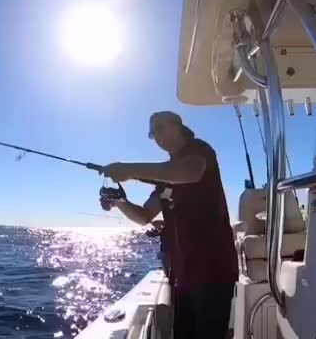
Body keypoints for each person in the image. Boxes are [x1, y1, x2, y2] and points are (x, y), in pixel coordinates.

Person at [100, 111, 238, 338]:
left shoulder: (199, 150)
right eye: (152, 132)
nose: (156, 135)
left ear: (178, 125)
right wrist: (119, 202)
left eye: (160, 127)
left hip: (213, 270)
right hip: (183, 273)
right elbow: (144, 215)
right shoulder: (165, 178)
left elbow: (189, 172)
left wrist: (129, 170)